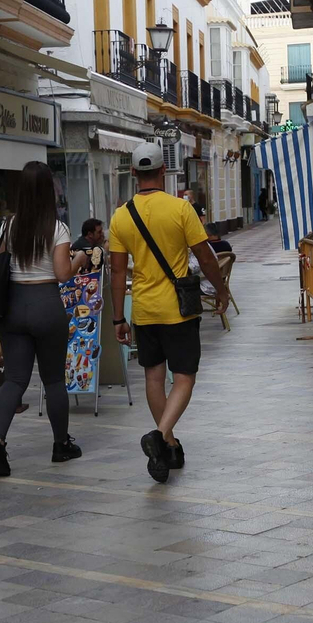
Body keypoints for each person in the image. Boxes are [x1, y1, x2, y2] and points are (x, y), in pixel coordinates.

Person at [108, 143, 228, 483]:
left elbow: (118, 273)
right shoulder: (181, 208)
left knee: (153, 377)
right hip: (179, 309)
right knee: (185, 376)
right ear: (164, 171)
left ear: (133, 173)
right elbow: (205, 257)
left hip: (144, 310)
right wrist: (221, 290)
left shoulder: (121, 215)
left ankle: (168, 446)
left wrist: (119, 317)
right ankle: (161, 437)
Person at [0, 162, 89, 477]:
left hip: (12, 307)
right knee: (53, 379)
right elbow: (62, 274)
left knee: (14, 379)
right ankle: (60, 445)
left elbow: (1, 263)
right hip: (46, 305)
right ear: (48, 192)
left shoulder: (9, 226)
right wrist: (79, 258)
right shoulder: (57, 228)